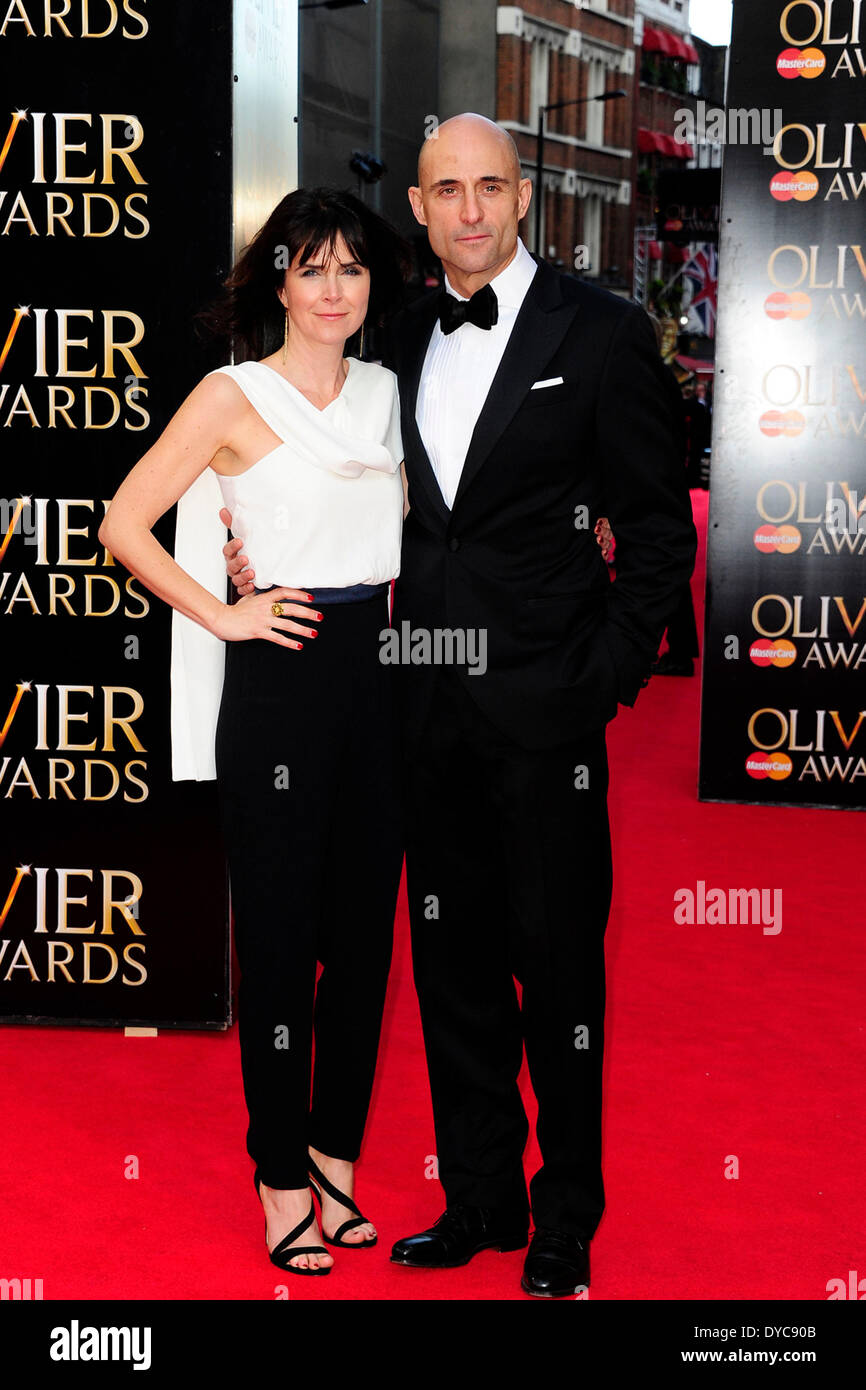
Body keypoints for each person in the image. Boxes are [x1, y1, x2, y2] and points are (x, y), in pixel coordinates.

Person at [226, 113, 697, 1298]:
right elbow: (296, 436)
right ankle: (478, 1199)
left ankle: (563, 1218)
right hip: (415, 717)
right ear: (422, 210)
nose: (471, 210)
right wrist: (241, 546)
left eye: (492, 187)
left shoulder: (594, 333)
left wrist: (601, 678)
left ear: (523, 197)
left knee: (559, 976)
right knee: (452, 974)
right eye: (448, 190)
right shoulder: (389, 328)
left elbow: (650, 533)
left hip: (545, 718)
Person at [98, 187, 409, 1276]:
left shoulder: (381, 391)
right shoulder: (231, 395)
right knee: (278, 945)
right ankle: (279, 1174)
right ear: (276, 280)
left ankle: (335, 1155)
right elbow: (122, 520)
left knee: (363, 947)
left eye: (351, 268)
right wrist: (227, 609)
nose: (333, 288)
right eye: (311, 267)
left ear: (373, 284)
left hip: (381, 683)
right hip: (280, 681)